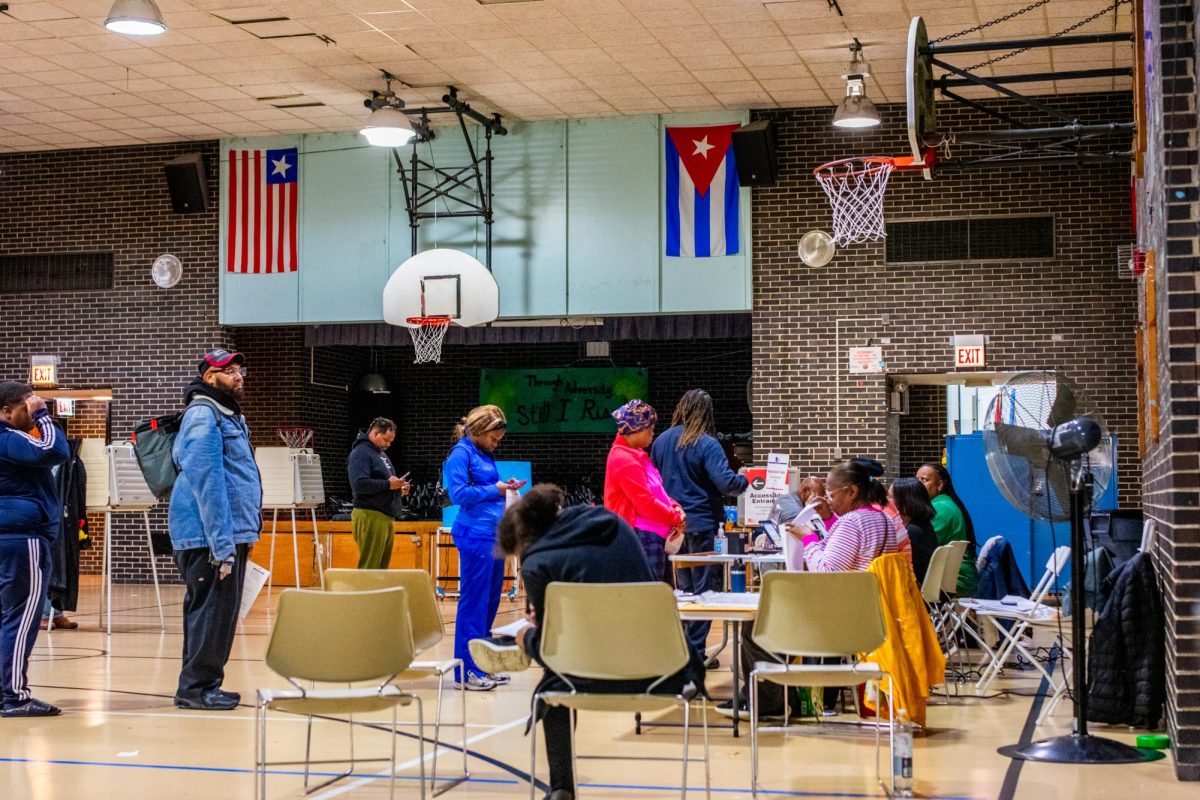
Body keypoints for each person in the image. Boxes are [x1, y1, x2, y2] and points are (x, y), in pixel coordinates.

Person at [501, 484, 705, 800]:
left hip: (583, 679)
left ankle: (561, 788)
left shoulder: (537, 562)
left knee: (552, 687)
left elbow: (550, 652)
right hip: (661, 675)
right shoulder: (618, 528)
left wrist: (527, 637)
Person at [721, 460, 900, 719]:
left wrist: (808, 538)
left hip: (836, 621)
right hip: (869, 618)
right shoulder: (881, 520)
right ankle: (776, 696)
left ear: (851, 492)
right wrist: (828, 520)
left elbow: (826, 571)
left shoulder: (851, 523)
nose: (828, 499)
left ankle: (770, 701)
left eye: (831, 493)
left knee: (758, 625)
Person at [169, 349, 262, 711]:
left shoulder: (226, 415)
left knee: (219, 616)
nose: (238, 376)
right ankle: (195, 689)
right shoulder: (203, 415)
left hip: (228, 534)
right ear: (210, 377)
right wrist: (222, 545)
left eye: (240, 370)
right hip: (208, 538)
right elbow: (207, 482)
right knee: (210, 614)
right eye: (229, 371)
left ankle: (205, 684)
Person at [650, 389, 748, 652]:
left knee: (684, 593)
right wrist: (746, 479)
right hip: (703, 526)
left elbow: (653, 484)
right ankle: (696, 653)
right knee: (705, 592)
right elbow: (726, 483)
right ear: (707, 413)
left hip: (673, 528)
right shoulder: (706, 443)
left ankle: (683, 650)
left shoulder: (660, 442)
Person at [443, 404, 525, 691]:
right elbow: (458, 494)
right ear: (478, 431)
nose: (496, 442)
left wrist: (507, 487)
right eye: (494, 436)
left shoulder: (485, 454)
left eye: (499, 438)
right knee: (474, 604)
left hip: (493, 536)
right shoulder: (460, 454)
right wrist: (496, 489)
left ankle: (484, 665)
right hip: (474, 536)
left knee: (490, 603)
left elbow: (491, 487)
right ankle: (466, 671)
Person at [0, 381, 69, 717]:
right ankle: (13, 697)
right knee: (21, 617)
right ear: (6, 411)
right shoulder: (7, 437)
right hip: (20, 537)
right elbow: (55, 452)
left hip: (8, 536)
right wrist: (42, 415)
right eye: (23, 407)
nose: (28, 413)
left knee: (8, 617)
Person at [603, 400, 684, 581]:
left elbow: (658, 491)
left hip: (653, 537)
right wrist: (675, 517)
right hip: (642, 538)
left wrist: (675, 506)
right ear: (635, 429)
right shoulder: (624, 459)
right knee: (650, 598)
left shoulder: (638, 456)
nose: (652, 434)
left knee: (660, 597)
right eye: (650, 430)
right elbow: (645, 502)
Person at [347, 417, 411, 569]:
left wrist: (398, 489)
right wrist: (389, 484)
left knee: (381, 569)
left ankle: (378, 593)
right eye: (386, 440)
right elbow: (359, 484)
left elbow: (383, 484)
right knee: (370, 567)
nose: (388, 445)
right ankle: (366, 593)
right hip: (370, 514)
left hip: (385, 514)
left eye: (390, 441)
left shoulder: (379, 453)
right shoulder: (360, 453)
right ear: (375, 433)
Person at [916, 463, 980, 595]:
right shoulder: (945, 503)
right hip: (957, 576)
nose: (918, 485)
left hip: (953, 579)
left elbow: (920, 546)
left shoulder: (940, 509)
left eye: (924, 480)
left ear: (939, 485)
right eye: (916, 480)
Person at [890, 477, 938, 584]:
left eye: (891, 498)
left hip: (914, 590)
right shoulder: (924, 526)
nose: (888, 502)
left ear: (905, 502)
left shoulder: (912, 532)